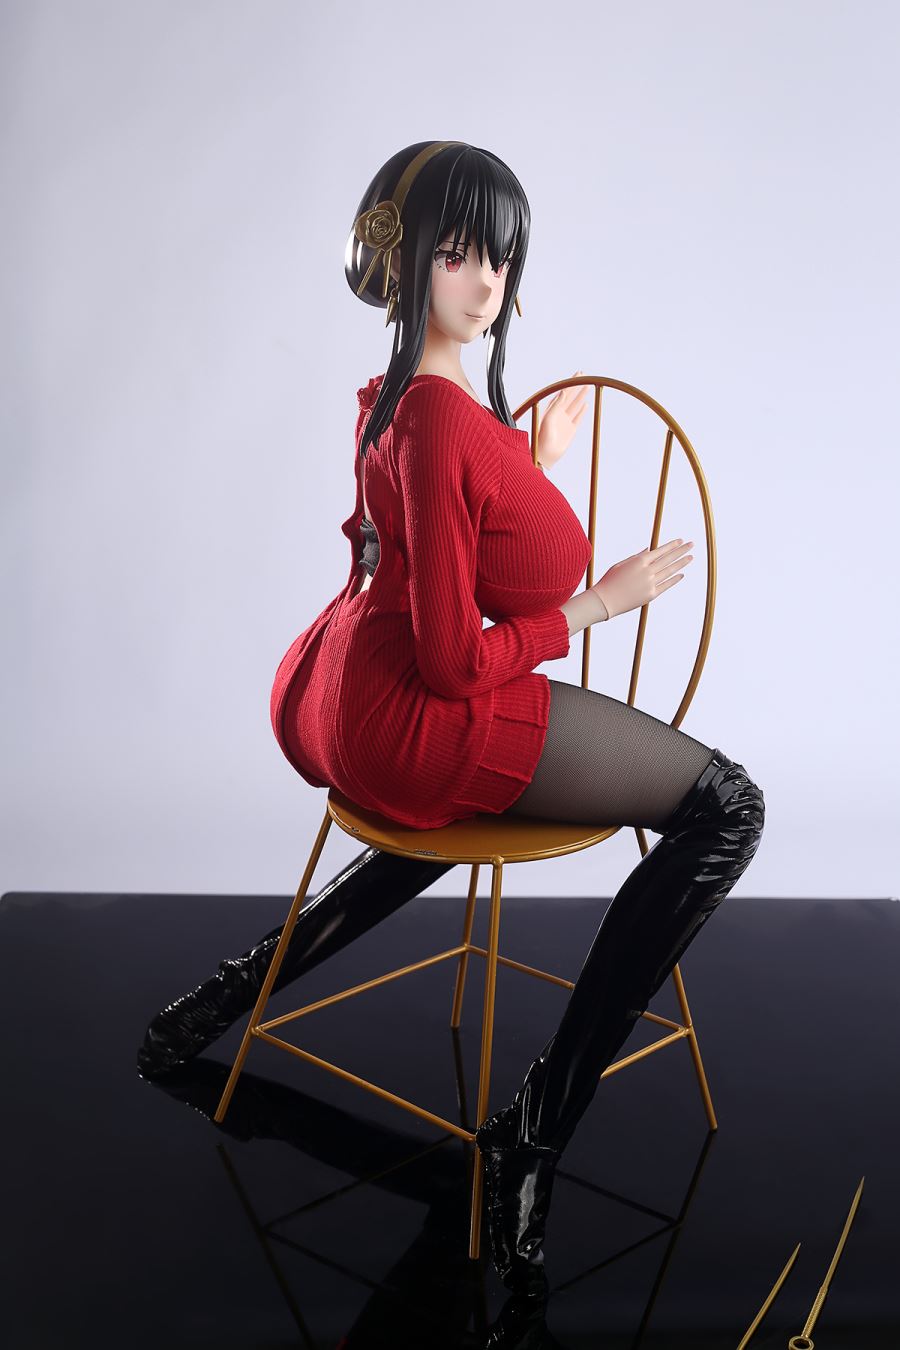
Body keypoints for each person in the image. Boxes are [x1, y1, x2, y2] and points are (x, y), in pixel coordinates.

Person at [137, 140, 765, 1293]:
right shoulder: (440, 420)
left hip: (344, 699)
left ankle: (230, 990)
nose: (488, 282)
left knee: (450, 794)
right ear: (408, 257)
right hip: (413, 713)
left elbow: (445, 535)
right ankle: (535, 1130)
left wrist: (523, 456)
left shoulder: (399, 403)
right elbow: (453, 654)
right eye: (460, 253)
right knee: (730, 806)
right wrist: (596, 604)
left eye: (503, 258)